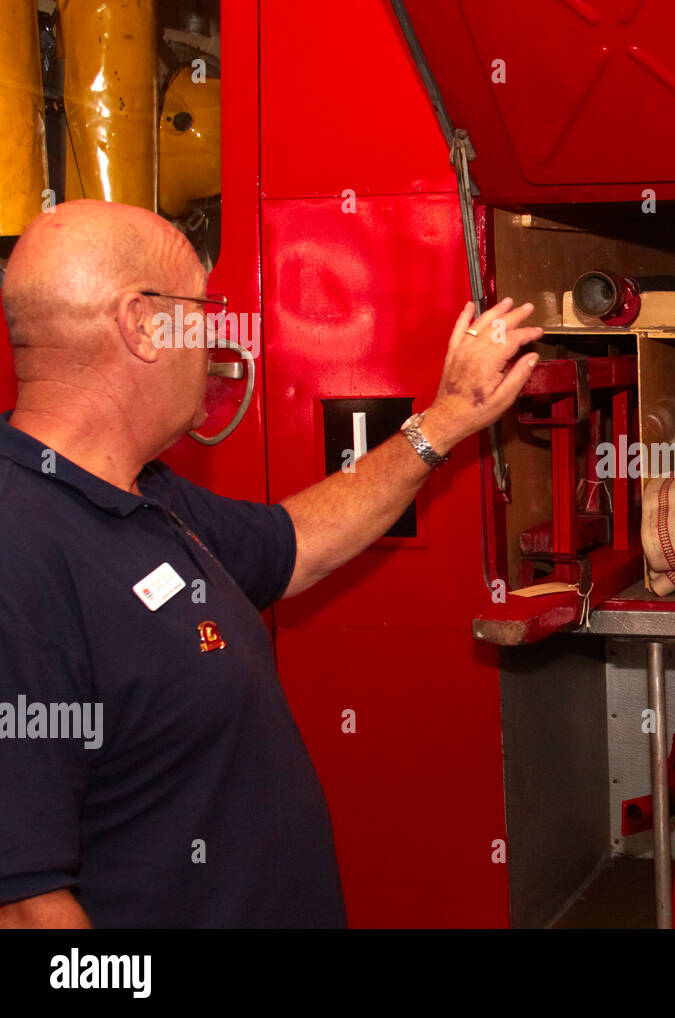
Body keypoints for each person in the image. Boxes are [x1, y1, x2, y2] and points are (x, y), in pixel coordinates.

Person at [0, 200, 541, 928]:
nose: (217, 334)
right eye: (202, 309)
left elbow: (296, 542)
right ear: (141, 325)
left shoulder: (139, 492)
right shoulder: (20, 552)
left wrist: (446, 419)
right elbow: (28, 906)